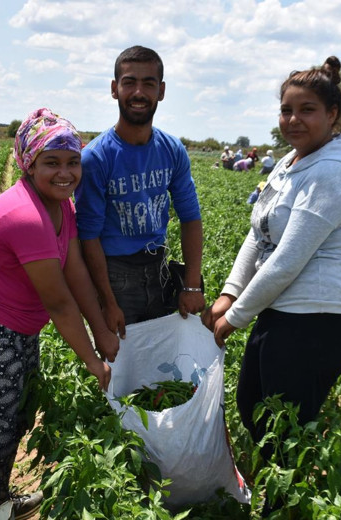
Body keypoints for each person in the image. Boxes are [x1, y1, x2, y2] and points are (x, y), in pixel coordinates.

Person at [0, 108, 117, 520]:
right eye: (51, 162)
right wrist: (93, 360)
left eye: (73, 162)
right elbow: (58, 303)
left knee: (15, 417)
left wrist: (103, 329)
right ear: (28, 163)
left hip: (15, 329)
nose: (65, 172)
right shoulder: (26, 216)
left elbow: (76, 277)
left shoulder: (61, 208)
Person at [202, 54, 341, 465]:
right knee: (254, 409)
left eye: (307, 110)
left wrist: (234, 317)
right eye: (286, 110)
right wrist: (228, 294)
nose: (293, 119)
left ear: (332, 114)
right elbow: (258, 236)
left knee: (282, 433)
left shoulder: (329, 174)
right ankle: (274, 509)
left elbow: (286, 262)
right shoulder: (290, 165)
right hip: (283, 312)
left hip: (319, 320)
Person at [75, 45, 206, 338]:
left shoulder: (172, 149)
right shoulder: (96, 158)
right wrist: (107, 302)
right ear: (114, 89)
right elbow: (89, 236)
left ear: (160, 91)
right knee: (121, 368)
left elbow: (191, 217)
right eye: (129, 82)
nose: (138, 92)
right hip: (114, 275)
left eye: (148, 83)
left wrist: (192, 284)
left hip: (158, 270)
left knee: (161, 367)